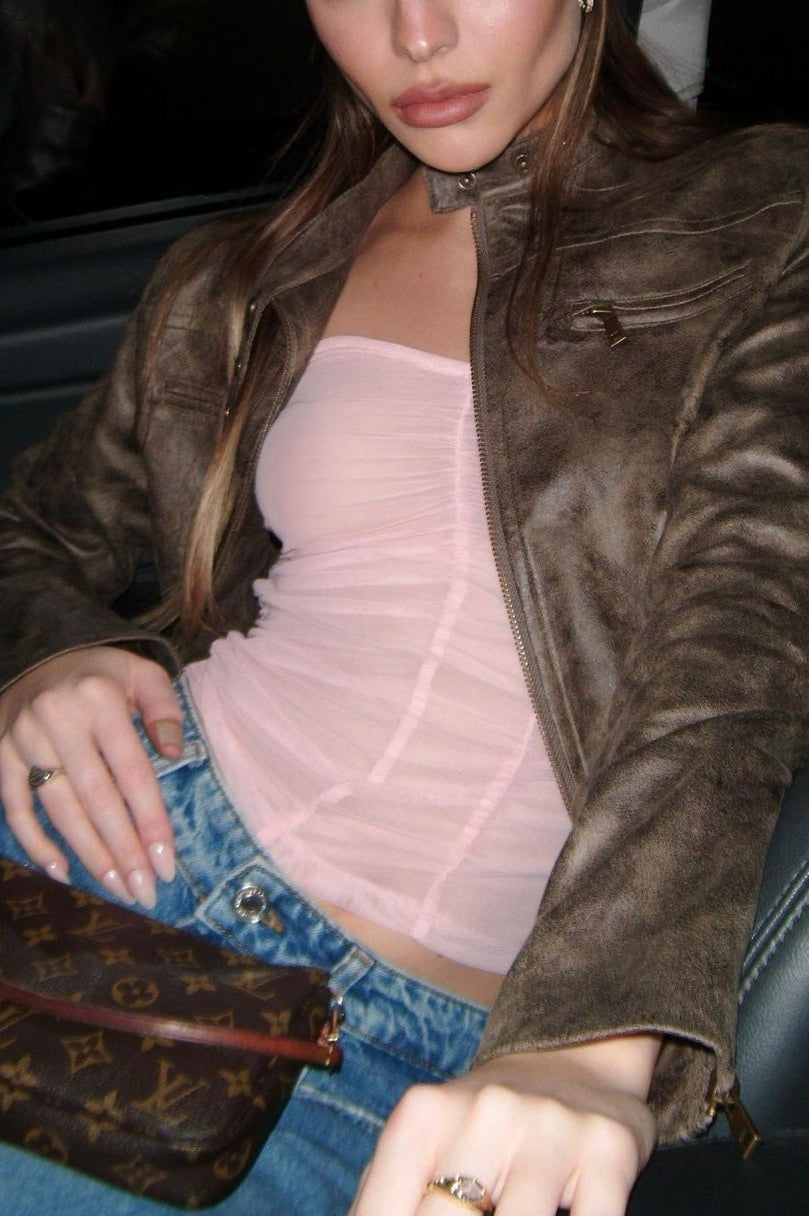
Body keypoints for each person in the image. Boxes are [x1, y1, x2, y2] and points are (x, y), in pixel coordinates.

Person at [1, 1, 808, 1214]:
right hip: (90, 835)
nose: (414, 33)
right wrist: (50, 658)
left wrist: (590, 1040)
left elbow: (741, 637)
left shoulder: (764, 210)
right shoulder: (244, 274)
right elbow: (26, 532)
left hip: (353, 1032)